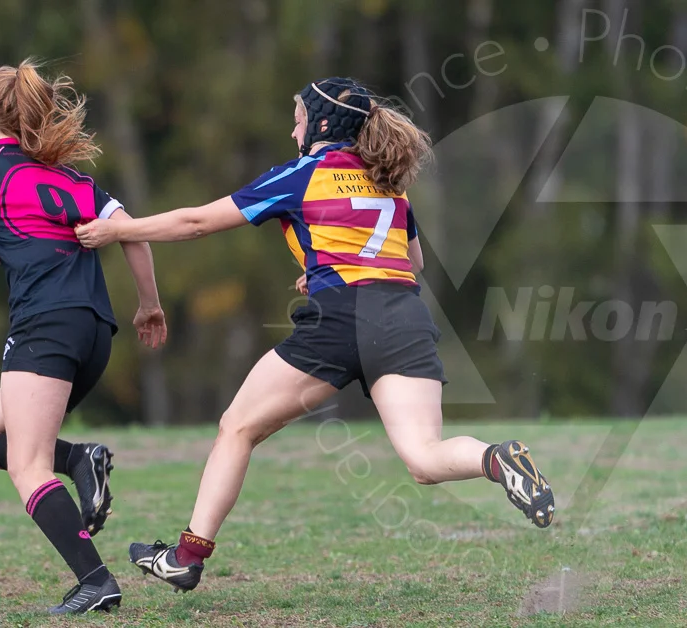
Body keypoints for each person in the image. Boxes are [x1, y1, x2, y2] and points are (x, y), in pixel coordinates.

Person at [74, 77, 555, 593]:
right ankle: (496, 458)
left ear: (322, 124)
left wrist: (119, 230)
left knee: (237, 427)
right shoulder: (389, 181)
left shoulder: (302, 174)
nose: (293, 131)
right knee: (423, 457)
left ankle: (186, 557)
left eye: (299, 120)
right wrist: (326, 266)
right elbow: (412, 260)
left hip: (342, 317)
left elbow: (196, 223)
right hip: (404, 315)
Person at [0, 59, 167, 615]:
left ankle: (96, 580)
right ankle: (78, 459)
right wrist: (149, 305)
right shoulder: (72, 178)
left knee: (26, 466)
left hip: (44, 329)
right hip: (95, 332)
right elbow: (133, 234)